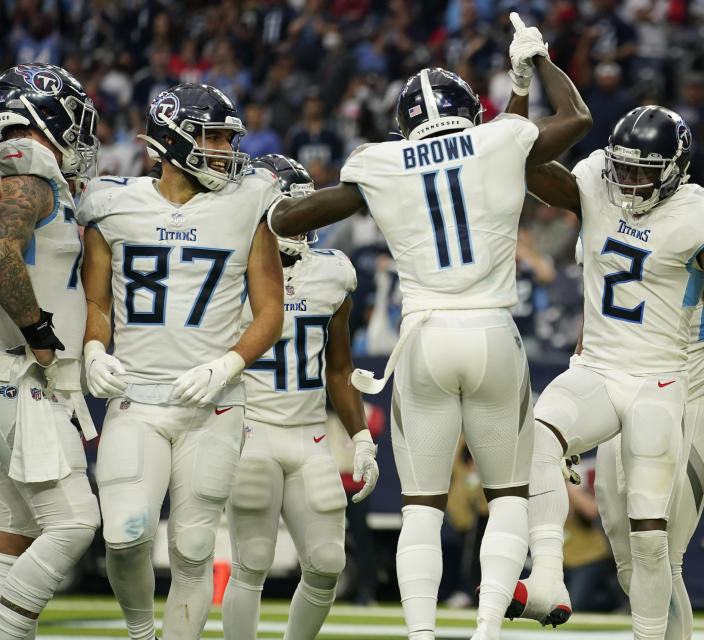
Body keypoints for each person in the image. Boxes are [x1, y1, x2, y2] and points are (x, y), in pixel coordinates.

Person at [268, 14, 592, 640]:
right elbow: (572, 121)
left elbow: (299, 214)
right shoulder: (497, 141)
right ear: (471, 111)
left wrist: (262, 202)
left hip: (421, 338)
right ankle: (488, 631)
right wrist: (540, 61)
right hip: (495, 333)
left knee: (421, 508)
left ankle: (420, 636)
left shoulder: (381, 161)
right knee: (509, 497)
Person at [503, 101, 704, 639]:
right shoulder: (601, 187)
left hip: (681, 392)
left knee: (660, 554)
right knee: (627, 561)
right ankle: (554, 575)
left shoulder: (703, 222)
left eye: (645, 171)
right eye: (625, 168)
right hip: (612, 378)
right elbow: (602, 305)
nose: (632, 181)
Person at [78, 83, 284, 640]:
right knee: (124, 533)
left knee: (193, 547)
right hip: (136, 398)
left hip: (213, 403)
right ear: (172, 139)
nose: (224, 149)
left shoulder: (251, 201)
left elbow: (270, 312)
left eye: (226, 137)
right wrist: (94, 348)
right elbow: (96, 302)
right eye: (212, 136)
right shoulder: (111, 201)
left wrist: (228, 365)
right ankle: (142, 631)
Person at [221, 154, 379, 639]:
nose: (299, 222)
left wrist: (360, 437)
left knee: (328, 561)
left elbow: (338, 367)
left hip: (310, 433)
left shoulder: (333, 271)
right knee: (251, 560)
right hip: (252, 430)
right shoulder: (228, 269)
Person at [589, 224, 704, 639]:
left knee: (662, 553)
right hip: (622, 394)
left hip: (688, 402)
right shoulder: (615, 218)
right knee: (629, 559)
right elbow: (593, 329)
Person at [0, 62, 101, 638]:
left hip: (16, 377)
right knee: (73, 524)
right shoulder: (27, 159)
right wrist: (39, 331)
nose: (80, 136)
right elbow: (2, 248)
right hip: (22, 374)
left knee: (14, 536)